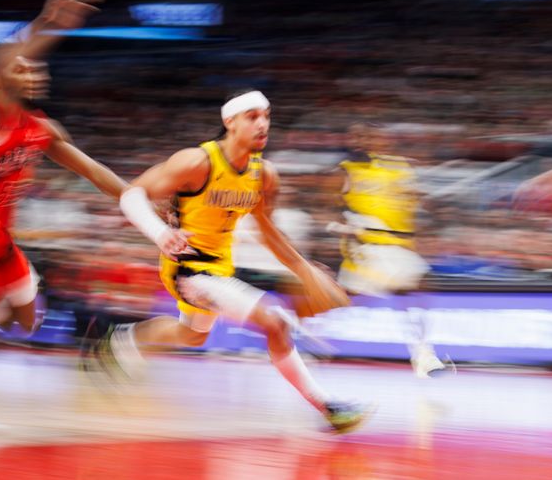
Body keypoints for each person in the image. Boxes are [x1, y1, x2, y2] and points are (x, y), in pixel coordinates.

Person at [90, 88, 370, 433]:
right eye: (253, 117)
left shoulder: (263, 174)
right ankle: (327, 406)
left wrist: (305, 269)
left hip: (219, 267)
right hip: (187, 268)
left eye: (267, 116)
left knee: (191, 336)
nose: (263, 124)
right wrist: (161, 234)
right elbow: (132, 195)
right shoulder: (197, 162)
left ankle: (121, 339)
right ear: (230, 122)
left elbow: (268, 231)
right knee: (276, 322)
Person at [0, 0, 127, 337]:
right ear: (5, 79)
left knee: (27, 321)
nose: (32, 73)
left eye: (37, 70)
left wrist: (141, 201)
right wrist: (46, 25)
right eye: (22, 68)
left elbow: (92, 170)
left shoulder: (42, 130)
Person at [329, 122, 442, 378]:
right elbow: (328, 202)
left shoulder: (399, 167)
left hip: (397, 244)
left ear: (383, 140)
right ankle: (423, 354)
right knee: (356, 295)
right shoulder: (346, 170)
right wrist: (336, 224)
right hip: (366, 243)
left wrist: (426, 211)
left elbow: (413, 199)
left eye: (369, 136)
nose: (362, 141)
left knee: (414, 290)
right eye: (357, 136)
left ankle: (423, 354)